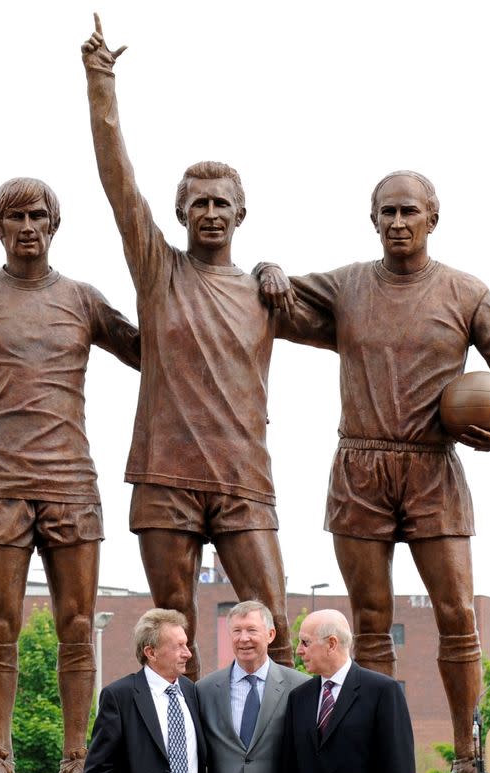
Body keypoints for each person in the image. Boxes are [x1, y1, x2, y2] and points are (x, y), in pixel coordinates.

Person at [81, 15, 336, 679]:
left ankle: (288, 759)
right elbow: (117, 180)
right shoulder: (158, 271)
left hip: (243, 478)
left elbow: (360, 330)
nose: (211, 213)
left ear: (240, 214)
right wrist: (101, 83)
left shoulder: (265, 292)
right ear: (180, 214)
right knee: (171, 626)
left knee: (273, 617)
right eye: (198, 203)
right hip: (164, 475)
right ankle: (182, 761)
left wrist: (279, 271)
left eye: (222, 203)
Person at [257, 170, 490, 773]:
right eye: (385, 212)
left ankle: (468, 754)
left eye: (408, 211)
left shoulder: (467, 294)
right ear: (373, 220)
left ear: (431, 219)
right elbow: (276, 302)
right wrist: (267, 269)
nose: (396, 222)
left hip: (432, 468)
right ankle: (374, 756)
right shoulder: (349, 286)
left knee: (457, 615)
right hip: (360, 466)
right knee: (369, 621)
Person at [0, 177, 140, 773]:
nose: (28, 226)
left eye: (38, 216)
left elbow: (153, 354)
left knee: (79, 624)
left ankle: (79, 760)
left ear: (53, 225)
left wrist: (184, 299)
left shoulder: (82, 299)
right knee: (1, 623)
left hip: (72, 482)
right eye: (16, 217)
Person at [283, 609, 415, 773]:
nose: (298, 650)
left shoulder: (383, 692)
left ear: (331, 644)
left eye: (305, 642)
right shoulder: (298, 697)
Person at [84, 608, 207, 773]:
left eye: (187, 645)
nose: (188, 654)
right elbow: (98, 769)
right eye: (179, 646)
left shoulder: (193, 692)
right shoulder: (119, 696)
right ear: (151, 652)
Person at [196, 600, 306, 773]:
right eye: (236, 631)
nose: (243, 638)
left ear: (270, 635)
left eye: (252, 630)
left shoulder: (299, 687)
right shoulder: (205, 690)